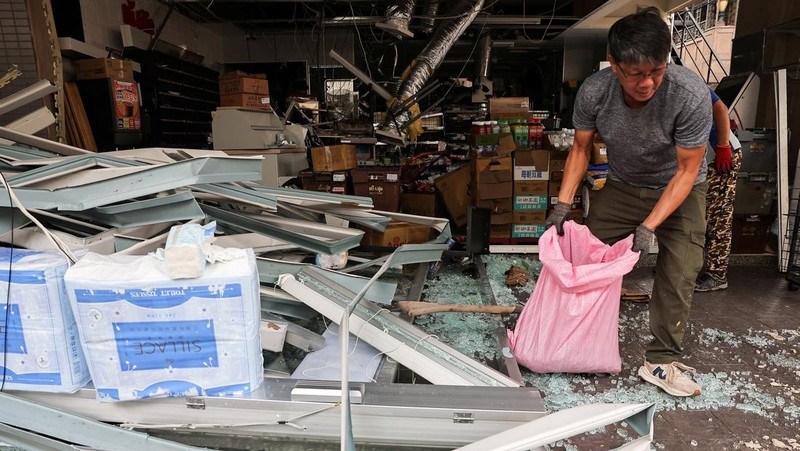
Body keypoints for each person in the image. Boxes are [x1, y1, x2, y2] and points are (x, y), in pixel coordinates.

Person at [545, 6, 711, 397]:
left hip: (680, 190)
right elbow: (581, 149)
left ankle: (660, 361)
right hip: (622, 185)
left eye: (657, 70)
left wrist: (649, 226)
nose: (648, 82)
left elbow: (687, 171)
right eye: (636, 73)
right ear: (614, 64)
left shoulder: (689, 95)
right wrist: (562, 205)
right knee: (581, 254)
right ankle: (566, 338)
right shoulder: (595, 91)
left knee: (681, 269)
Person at [695, 91, 742, 291]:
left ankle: (717, 274)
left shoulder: (687, 84)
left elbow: (720, 108)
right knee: (694, 213)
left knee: (717, 215)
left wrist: (723, 147)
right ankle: (683, 265)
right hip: (699, 157)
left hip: (721, 156)